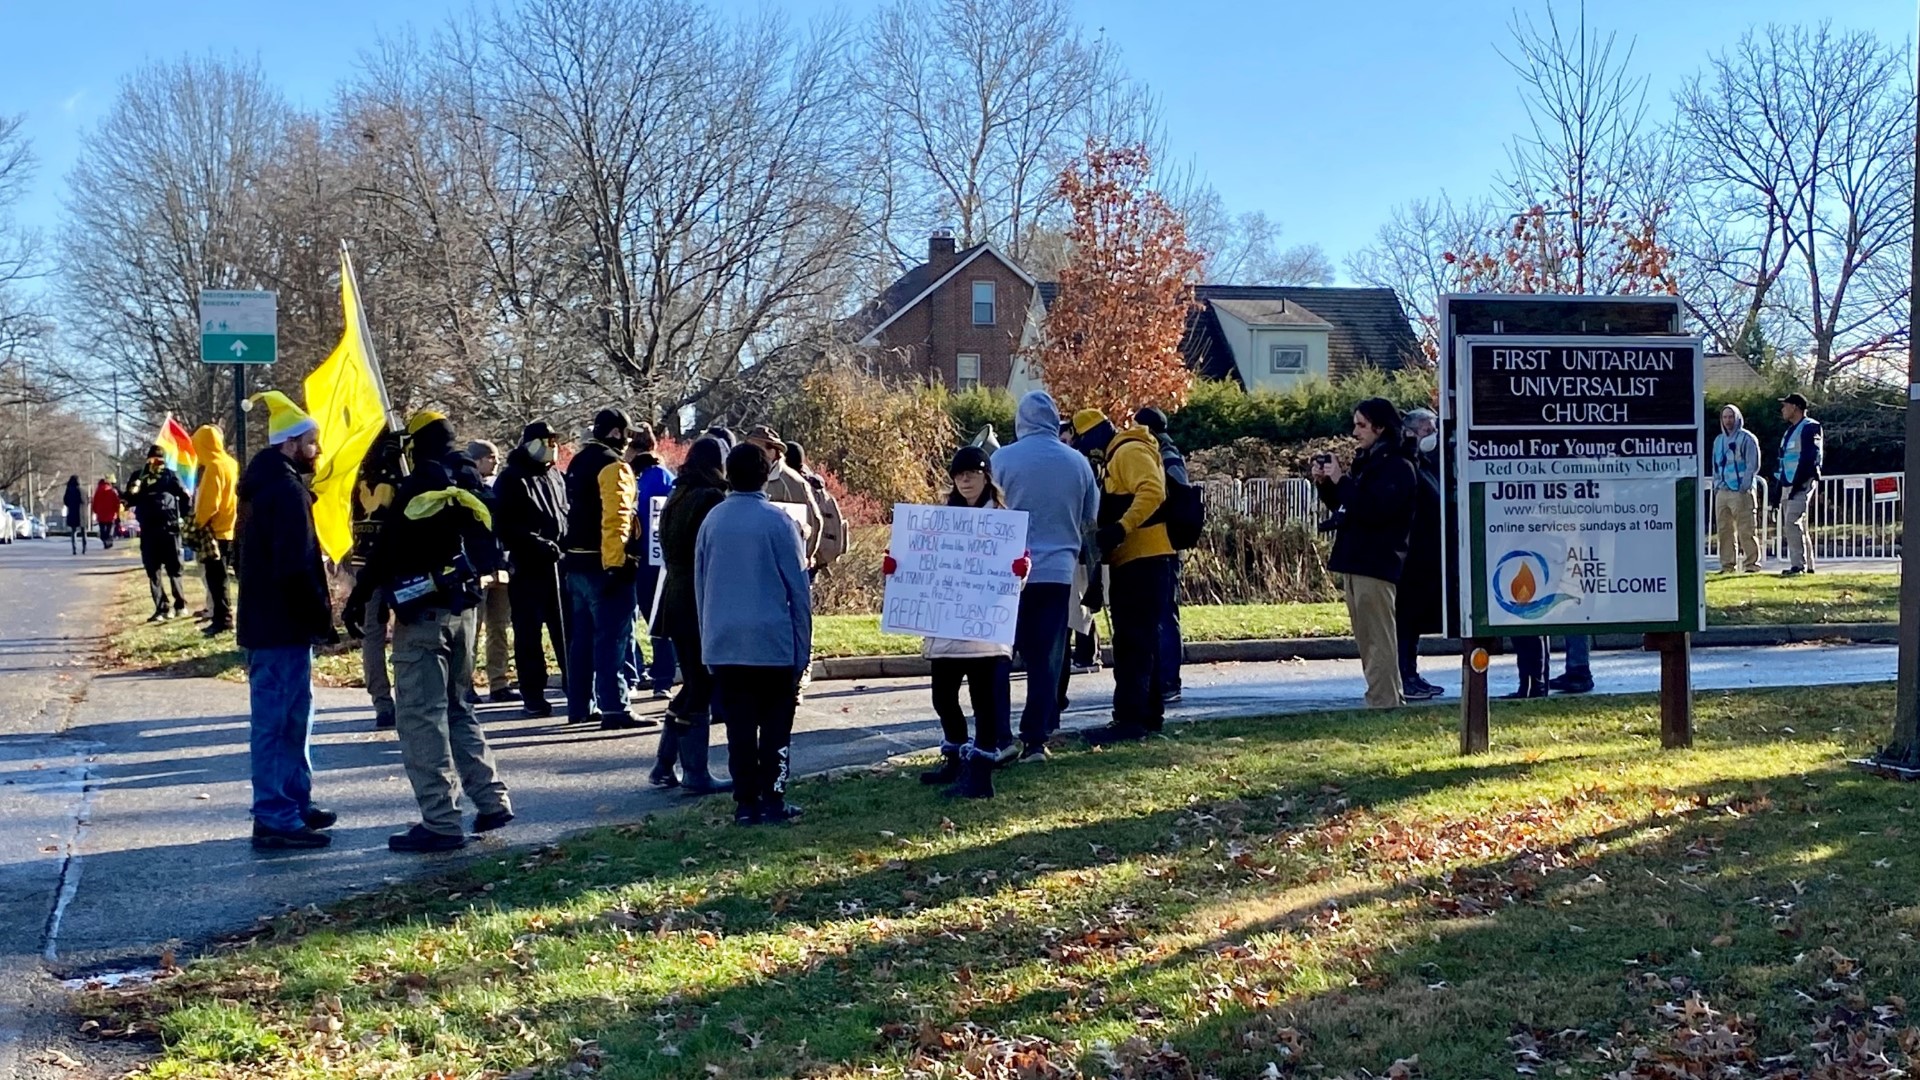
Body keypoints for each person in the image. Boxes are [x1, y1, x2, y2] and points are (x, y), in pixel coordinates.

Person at [344, 411, 514, 853]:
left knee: (420, 715)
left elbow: (388, 548)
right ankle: (491, 799)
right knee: (458, 705)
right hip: (465, 611)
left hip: (423, 615)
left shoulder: (422, 483)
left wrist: (359, 596)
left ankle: (440, 820)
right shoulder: (471, 479)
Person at [883, 446, 1028, 798]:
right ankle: (955, 757)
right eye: (959, 475)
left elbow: (1017, 564)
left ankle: (980, 774)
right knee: (943, 697)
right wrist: (896, 567)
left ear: (986, 477)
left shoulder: (1003, 521)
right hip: (946, 630)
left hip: (985, 633)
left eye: (972, 474)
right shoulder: (940, 519)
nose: (965, 481)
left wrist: (1021, 571)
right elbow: (919, 561)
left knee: (985, 702)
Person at [234, 391, 337, 850]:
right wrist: (321, 616)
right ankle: (276, 812)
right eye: (312, 442)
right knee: (280, 722)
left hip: (272, 622)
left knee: (293, 719)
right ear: (291, 443)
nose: (317, 449)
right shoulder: (287, 490)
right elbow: (295, 565)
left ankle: (294, 801)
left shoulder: (262, 486)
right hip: (282, 624)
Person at [698, 443, 812, 826]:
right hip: (772, 645)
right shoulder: (779, 522)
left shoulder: (712, 520)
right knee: (777, 733)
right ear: (767, 474)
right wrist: (802, 651)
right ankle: (774, 798)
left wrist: (708, 641)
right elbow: (798, 591)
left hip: (726, 643)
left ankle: (745, 802)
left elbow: (702, 585)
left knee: (739, 731)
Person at [994, 391, 1098, 761]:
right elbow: (1091, 519)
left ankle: (999, 735)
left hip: (1008, 573)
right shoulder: (1078, 464)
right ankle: (1035, 738)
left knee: (1000, 658)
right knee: (1047, 659)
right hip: (1058, 573)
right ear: (1055, 420)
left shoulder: (1002, 459)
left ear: (1021, 420)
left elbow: (987, 514)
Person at [1070, 409, 1174, 744]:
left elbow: (1153, 491)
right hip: (1137, 560)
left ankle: (1129, 721)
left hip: (1145, 559)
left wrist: (1121, 527)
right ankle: (1148, 715)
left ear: (1097, 434)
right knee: (1143, 642)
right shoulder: (1121, 452)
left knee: (1132, 643)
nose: (1086, 451)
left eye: (1084, 441)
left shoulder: (1128, 451)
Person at [1313, 398, 1415, 709]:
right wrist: (1327, 486)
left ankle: (1383, 700)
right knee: (1366, 637)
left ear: (1380, 427)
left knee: (1377, 638)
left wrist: (1341, 480)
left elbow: (1373, 510)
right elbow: (1349, 508)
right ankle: (1386, 695)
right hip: (1357, 559)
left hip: (1377, 561)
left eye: (1361, 424)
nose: (1355, 431)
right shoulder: (1371, 462)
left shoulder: (1397, 466)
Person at [648, 437, 733, 795]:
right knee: (701, 684)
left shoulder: (677, 494)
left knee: (694, 682)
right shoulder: (709, 498)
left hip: (675, 593)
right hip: (696, 596)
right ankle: (694, 772)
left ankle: (665, 764)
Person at [562, 408, 646, 730]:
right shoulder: (614, 466)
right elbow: (617, 518)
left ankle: (580, 706)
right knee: (613, 638)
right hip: (602, 564)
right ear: (615, 433)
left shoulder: (577, 462)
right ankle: (615, 707)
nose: (628, 440)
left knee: (581, 639)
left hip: (576, 564)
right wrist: (617, 564)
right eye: (626, 433)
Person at [494, 421, 569, 718]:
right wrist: (535, 543)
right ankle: (533, 695)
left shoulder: (556, 476)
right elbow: (505, 524)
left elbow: (566, 513)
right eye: (545, 440)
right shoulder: (512, 479)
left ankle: (574, 687)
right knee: (529, 635)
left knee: (566, 631)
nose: (551, 445)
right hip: (528, 567)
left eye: (554, 440)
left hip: (559, 566)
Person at [351, 429, 408, 730]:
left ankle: (381, 703)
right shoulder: (400, 476)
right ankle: (406, 696)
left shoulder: (359, 474)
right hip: (394, 564)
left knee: (372, 635)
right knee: (404, 630)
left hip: (363, 561)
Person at [1134, 407, 1189, 704]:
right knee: (1166, 612)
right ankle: (1165, 679)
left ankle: (1168, 680)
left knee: (1165, 614)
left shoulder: (1164, 457)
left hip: (1164, 543)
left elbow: (1172, 495)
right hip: (1168, 543)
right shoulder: (1171, 452)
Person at [625, 424, 677, 699]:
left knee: (655, 620)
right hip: (647, 559)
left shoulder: (653, 478)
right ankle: (652, 676)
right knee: (645, 620)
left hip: (650, 560)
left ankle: (659, 678)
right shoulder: (658, 476)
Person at [462, 439, 516, 703]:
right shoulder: (464, 489)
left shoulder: (500, 489)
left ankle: (499, 682)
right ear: (477, 461)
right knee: (474, 629)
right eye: (491, 457)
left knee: (499, 627)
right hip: (478, 567)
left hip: (501, 565)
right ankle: (465, 683)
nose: (496, 462)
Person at [1396, 410, 1444, 700]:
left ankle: (1411, 673)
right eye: (1428, 430)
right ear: (1412, 432)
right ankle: (1404, 675)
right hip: (1410, 557)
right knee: (1405, 620)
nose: (1433, 436)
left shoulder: (1429, 463)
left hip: (1427, 555)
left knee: (1414, 622)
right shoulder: (1407, 464)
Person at [124, 444, 191, 621]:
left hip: (169, 528)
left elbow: (185, 497)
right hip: (148, 528)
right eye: (153, 459)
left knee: (174, 568)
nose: (155, 462)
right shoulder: (139, 477)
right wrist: (132, 491)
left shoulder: (169, 475)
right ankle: (161, 608)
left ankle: (180, 604)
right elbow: (128, 499)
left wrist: (183, 517)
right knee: (153, 570)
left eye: (159, 459)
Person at [745, 425, 823, 567]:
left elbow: (815, 521)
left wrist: (804, 557)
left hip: (784, 565)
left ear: (774, 451)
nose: (752, 454)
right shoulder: (740, 477)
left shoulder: (793, 482)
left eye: (758, 449)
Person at [189, 425, 239, 636]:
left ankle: (222, 619)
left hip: (214, 531)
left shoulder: (213, 467)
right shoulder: (231, 463)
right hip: (231, 526)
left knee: (216, 579)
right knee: (226, 577)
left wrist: (197, 523)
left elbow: (210, 503)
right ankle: (227, 616)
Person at [1774, 393, 1824, 577]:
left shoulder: (1810, 427)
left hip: (1802, 482)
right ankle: (1808, 566)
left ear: (1794, 407)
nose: (1782, 410)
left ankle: (1798, 566)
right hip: (1788, 482)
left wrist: (1798, 484)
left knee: (1791, 522)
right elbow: (1784, 461)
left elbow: (1810, 458)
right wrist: (1778, 490)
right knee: (1798, 523)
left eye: (1785, 406)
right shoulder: (1789, 432)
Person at [1711, 404, 1764, 574]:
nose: (1728, 421)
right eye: (1725, 417)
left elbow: (1752, 465)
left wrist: (1745, 486)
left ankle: (1751, 565)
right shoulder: (1718, 440)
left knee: (1746, 529)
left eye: (1731, 417)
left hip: (1741, 491)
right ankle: (1727, 565)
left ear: (1737, 418)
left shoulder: (1747, 438)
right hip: (1722, 491)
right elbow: (1715, 465)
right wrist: (1717, 485)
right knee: (1724, 530)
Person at [785, 441, 848, 575]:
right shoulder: (815, 483)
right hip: (817, 558)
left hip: (803, 557)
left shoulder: (796, 485)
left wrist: (808, 555)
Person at [90, 479, 120, 549]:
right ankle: (109, 540)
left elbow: (94, 502)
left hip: (101, 514)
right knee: (110, 528)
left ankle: (105, 540)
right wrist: (116, 512)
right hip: (111, 513)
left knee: (102, 529)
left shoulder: (98, 491)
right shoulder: (112, 491)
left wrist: (95, 511)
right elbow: (116, 502)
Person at [63, 476, 87, 555]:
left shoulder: (69, 491)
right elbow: (87, 501)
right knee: (83, 531)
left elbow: (65, 501)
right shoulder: (83, 491)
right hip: (82, 513)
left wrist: (71, 505)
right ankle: (84, 548)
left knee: (74, 532)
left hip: (72, 512)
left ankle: (74, 549)